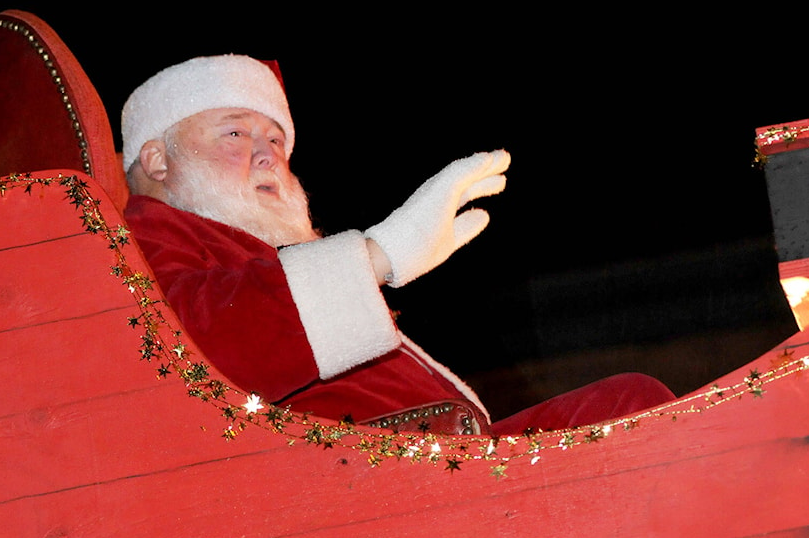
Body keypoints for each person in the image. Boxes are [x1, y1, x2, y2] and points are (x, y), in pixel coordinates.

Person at [121, 54, 675, 436]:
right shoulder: (140, 236)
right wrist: (378, 255)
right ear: (158, 160)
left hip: (421, 464)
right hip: (352, 487)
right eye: (236, 133)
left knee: (629, 405)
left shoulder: (254, 253)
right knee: (635, 412)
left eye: (275, 139)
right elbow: (191, 350)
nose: (268, 154)